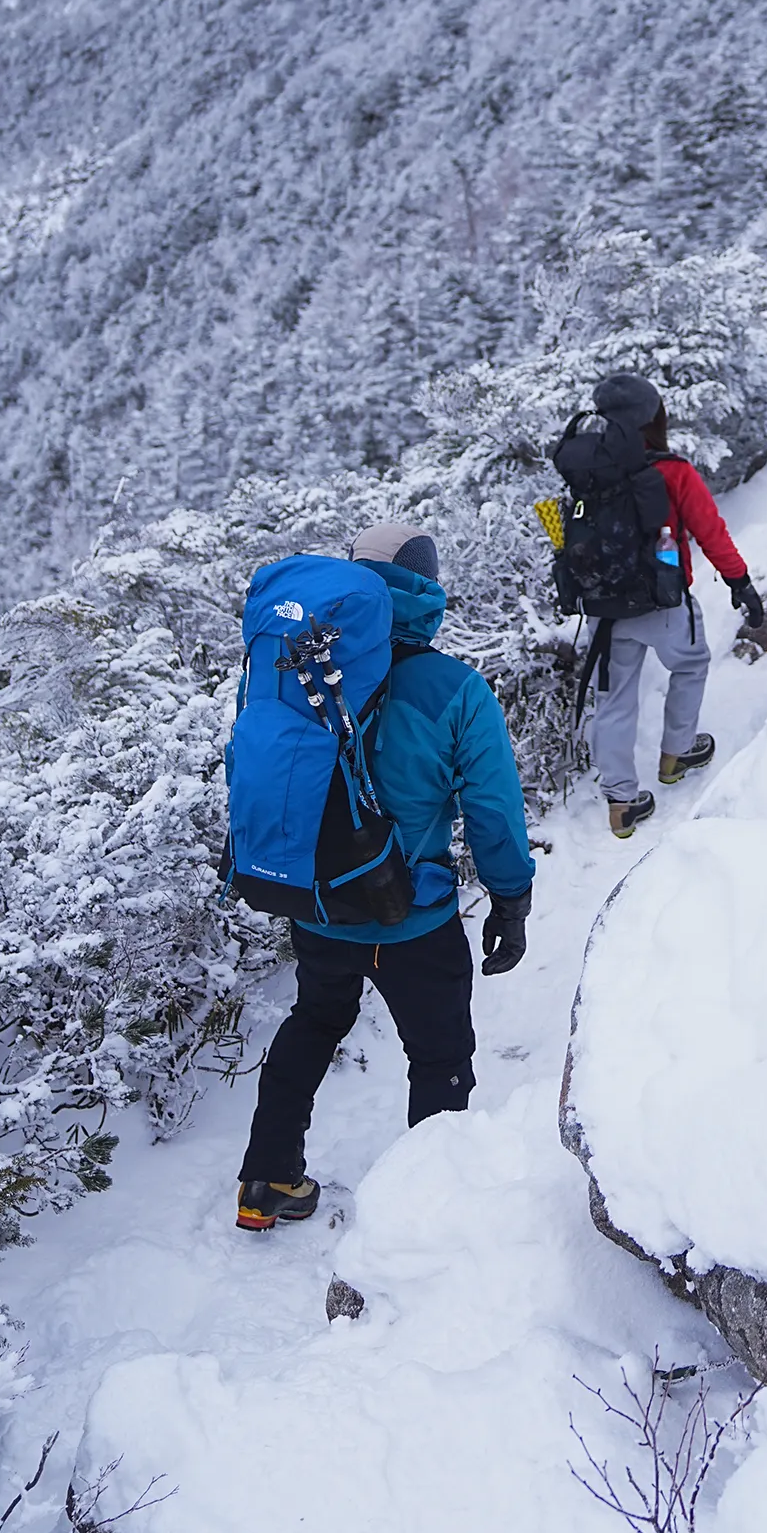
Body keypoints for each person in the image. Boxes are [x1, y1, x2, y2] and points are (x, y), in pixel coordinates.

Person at [236, 523, 534, 1229]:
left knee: (314, 1021)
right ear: (426, 593)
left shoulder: (298, 670)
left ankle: (266, 1181)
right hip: (414, 921)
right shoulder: (455, 689)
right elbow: (491, 809)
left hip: (319, 906)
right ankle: (425, 1218)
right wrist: (511, 899)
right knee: (440, 1055)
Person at [585, 371, 764, 840]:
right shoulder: (672, 471)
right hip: (664, 603)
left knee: (614, 701)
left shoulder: (587, 469)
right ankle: (677, 753)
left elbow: (567, 536)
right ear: (653, 418)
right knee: (690, 665)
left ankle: (621, 804)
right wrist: (739, 582)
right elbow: (711, 532)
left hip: (606, 611)